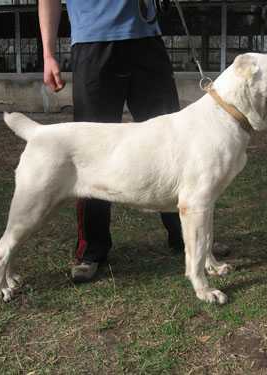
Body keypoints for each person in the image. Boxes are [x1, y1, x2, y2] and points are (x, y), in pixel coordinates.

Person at [38, 0, 185, 281]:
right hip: (94, 44)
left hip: (146, 41)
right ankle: (92, 249)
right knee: (91, 153)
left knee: (172, 147)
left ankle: (187, 236)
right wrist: (48, 54)